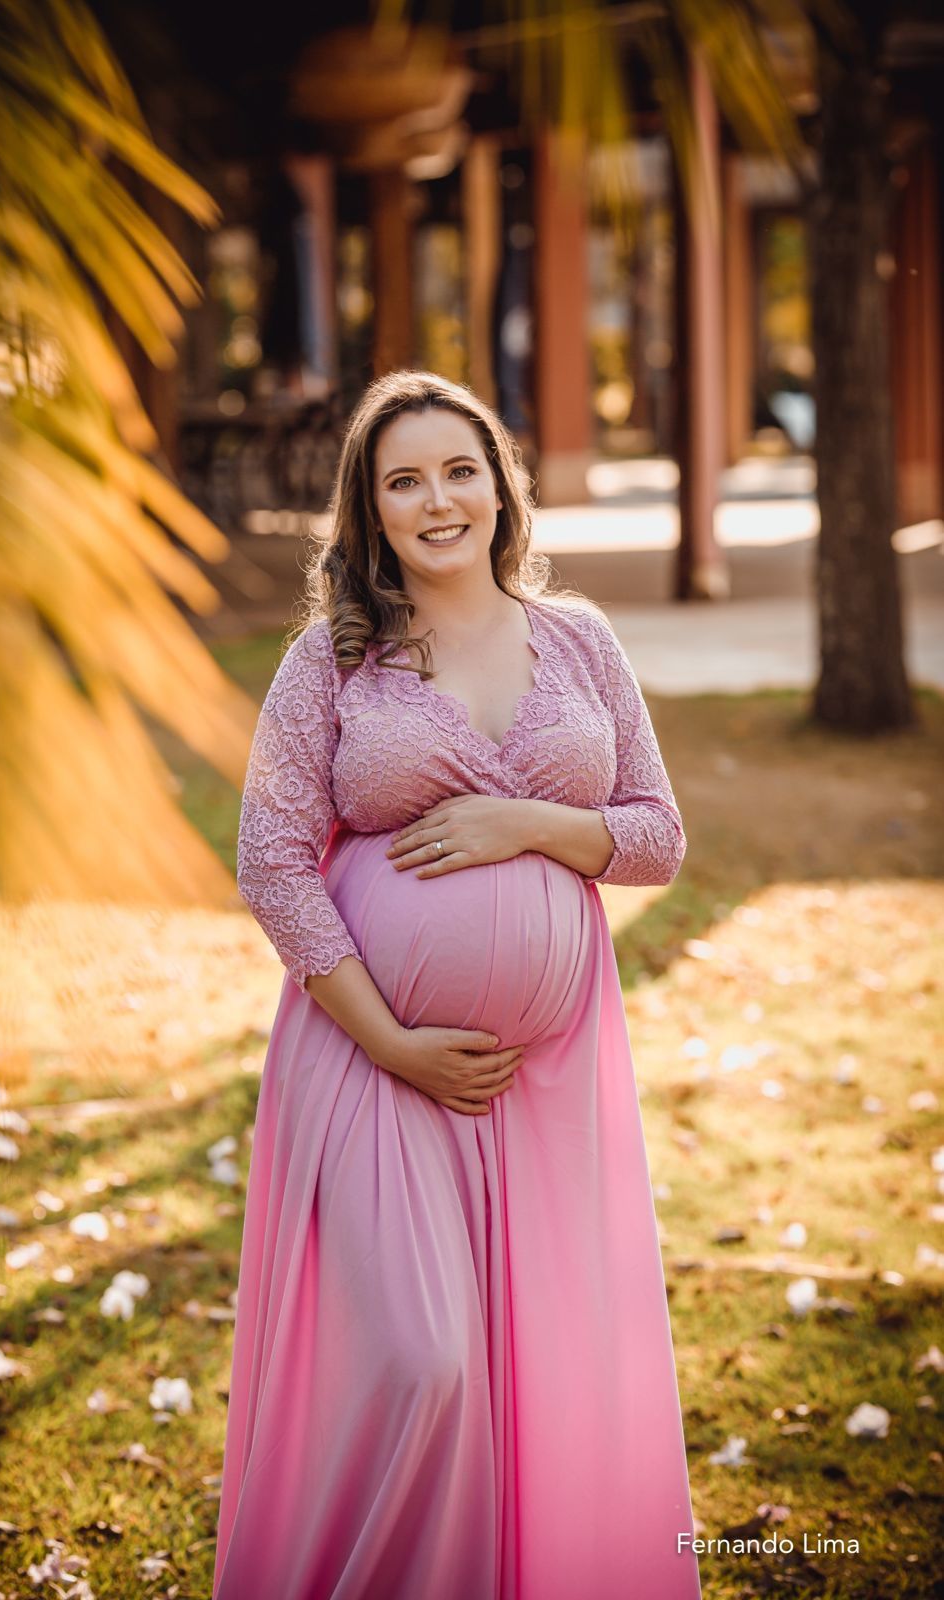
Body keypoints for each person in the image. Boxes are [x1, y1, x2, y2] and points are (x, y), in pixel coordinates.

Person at [212, 370, 702, 1600]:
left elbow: (654, 835)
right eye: (403, 481)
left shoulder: (577, 639)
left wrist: (522, 823)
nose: (438, 500)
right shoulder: (334, 657)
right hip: (376, 1062)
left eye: (459, 469)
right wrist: (390, 1041)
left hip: (541, 1086)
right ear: (369, 513)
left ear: (500, 482)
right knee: (425, 1364)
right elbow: (270, 859)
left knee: (539, 1380)